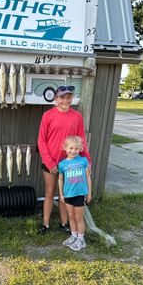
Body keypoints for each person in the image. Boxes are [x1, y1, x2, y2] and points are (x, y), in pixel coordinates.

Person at [37, 85, 91, 235]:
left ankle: (64, 223)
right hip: (51, 163)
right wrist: (49, 163)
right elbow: (41, 141)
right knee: (49, 193)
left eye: (68, 97)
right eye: (62, 97)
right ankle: (46, 224)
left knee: (66, 194)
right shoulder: (48, 116)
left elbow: (82, 141)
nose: (65, 100)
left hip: (70, 164)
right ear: (55, 99)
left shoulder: (77, 116)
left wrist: (87, 160)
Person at [58, 136, 92, 251]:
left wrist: (89, 193)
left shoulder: (83, 161)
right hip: (68, 194)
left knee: (79, 218)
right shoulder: (62, 164)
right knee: (71, 217)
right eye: (71, 148)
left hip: (79, 194)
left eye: (76, 149)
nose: (73, 151)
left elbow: (88, 177)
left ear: (80, 149)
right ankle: (73, 235)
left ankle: (81, 239)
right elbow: (60, 179)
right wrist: (61, 194)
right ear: (65, 148)